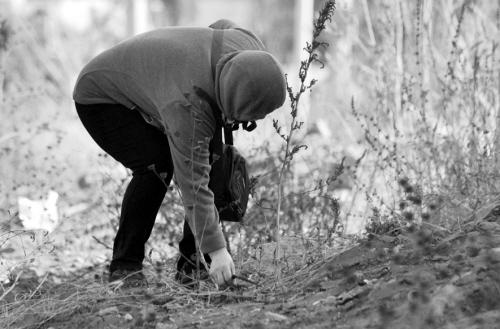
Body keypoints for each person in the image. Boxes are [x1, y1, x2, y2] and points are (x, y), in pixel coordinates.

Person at [72, 19, 286, 287]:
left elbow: (220, 25)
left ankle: (192, 267)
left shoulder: (249, 47)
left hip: (166, 80)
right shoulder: (187, 107)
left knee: (214, 159)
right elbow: (193, 184)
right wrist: (219, 251)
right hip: (101, 96)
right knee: (155, 165)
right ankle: (125, 268)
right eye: (251, 115)